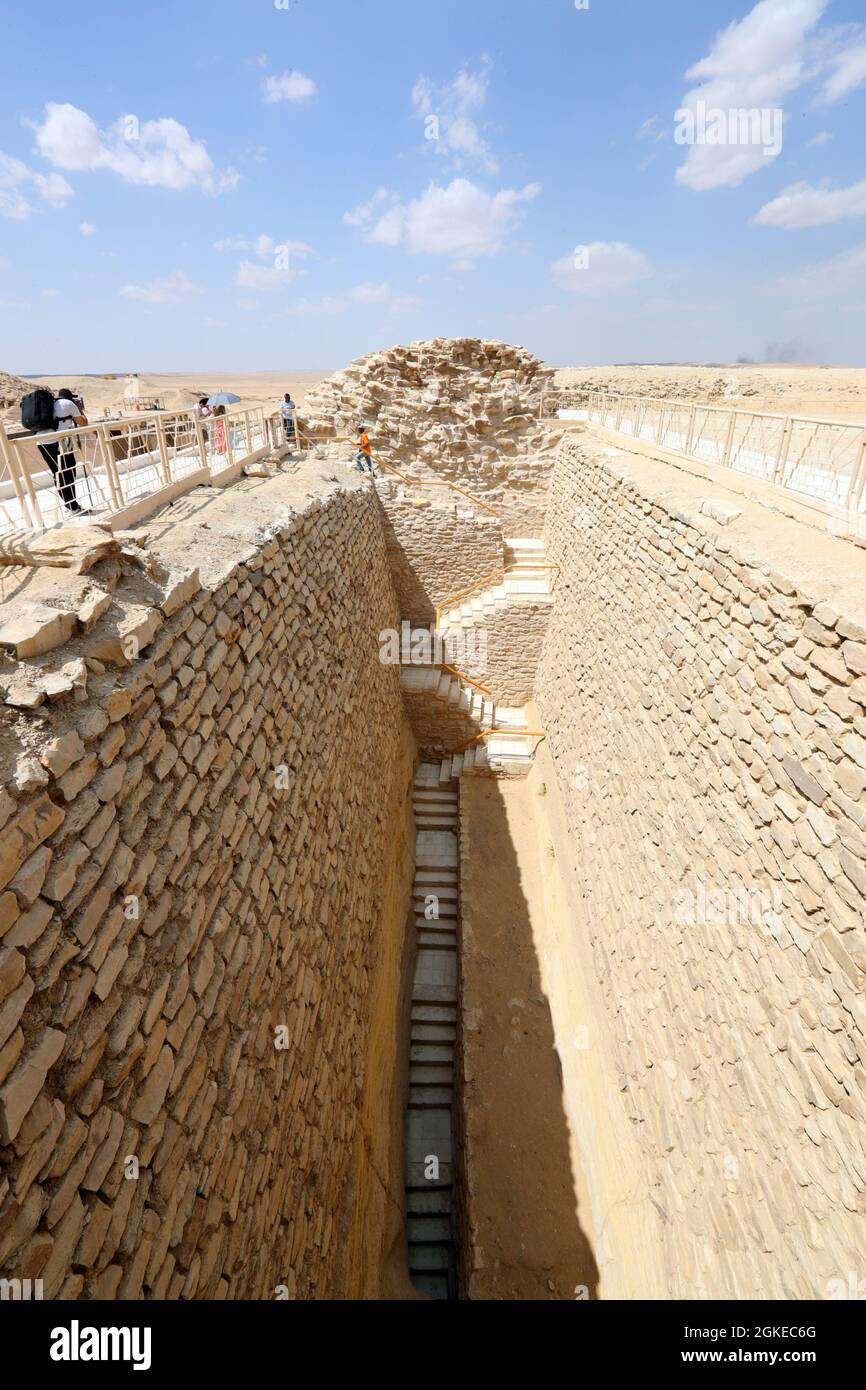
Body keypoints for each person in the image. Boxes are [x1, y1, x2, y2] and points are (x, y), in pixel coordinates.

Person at [38, 388, 88, 513]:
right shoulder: (68, 403)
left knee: (57, 473)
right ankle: (73, 506)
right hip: (62, 442)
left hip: (42, 443)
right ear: (70, 397)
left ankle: (69, 505)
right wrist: (79, 408)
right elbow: (84, 423)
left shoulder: (50, 404)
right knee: (68, 473)